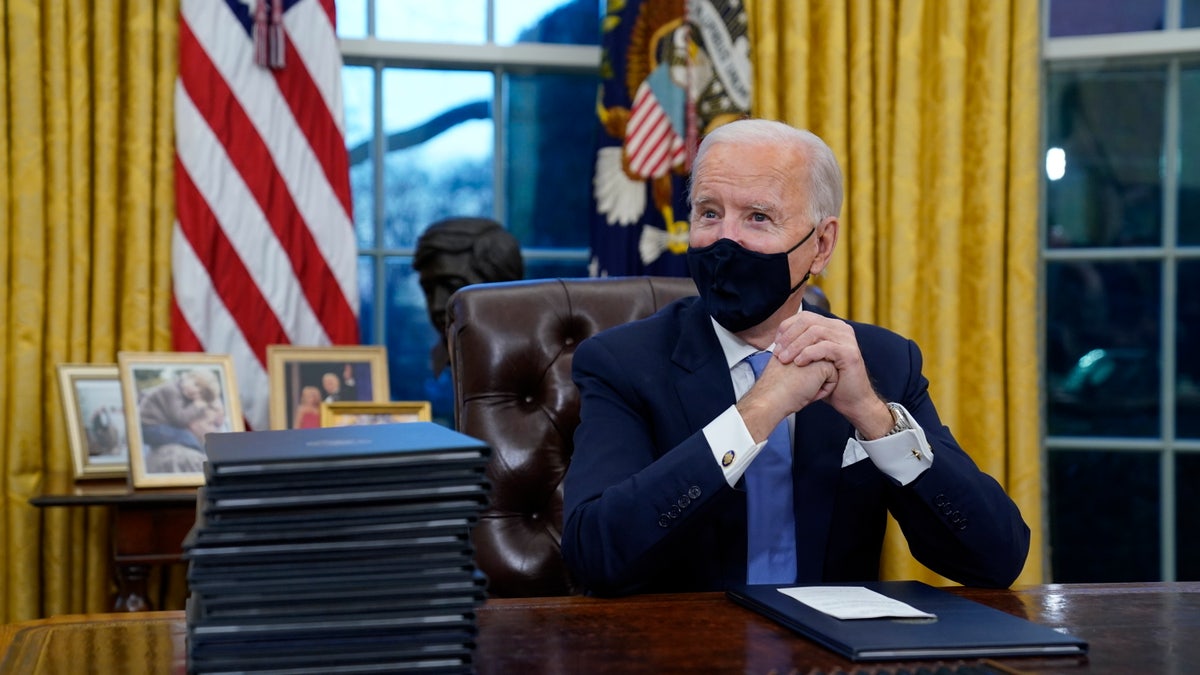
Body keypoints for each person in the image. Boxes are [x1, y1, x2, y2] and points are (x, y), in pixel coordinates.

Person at [562, 119, 1030, 596]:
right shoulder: (623, 363)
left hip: (833, 658)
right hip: (685, 650)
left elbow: (997, 559)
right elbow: (594, 556)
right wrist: (755, 414)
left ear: (821, 245)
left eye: (758, 217)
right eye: (708, 213)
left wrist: (873, 416)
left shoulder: (883, 362)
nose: (726, 240)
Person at [413, 217, 524, 376]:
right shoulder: (434, 363)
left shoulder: (533, 362)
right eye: (429, 290)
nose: (437, 305)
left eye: (451, 287)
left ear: (500, 289)